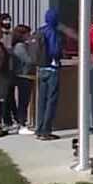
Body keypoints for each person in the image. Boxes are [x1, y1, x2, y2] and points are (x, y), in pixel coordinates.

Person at [35, 8, 63, 141]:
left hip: (41, 69)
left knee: (41, 100)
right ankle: (46, 130)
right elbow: (55, 50)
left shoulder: (40, 31)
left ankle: (39, 129)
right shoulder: (53, 32)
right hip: (52, 68)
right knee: (51, 100)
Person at [6, 25, 35, 135]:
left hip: (22, 75)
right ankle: (22, 123)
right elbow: (29, 60)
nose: (30, 36)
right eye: (28, 33)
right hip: (23, 76)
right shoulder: (20, 47)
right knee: (23, 101)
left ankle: (20, 121)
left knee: (23, 101)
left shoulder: (20, 46)